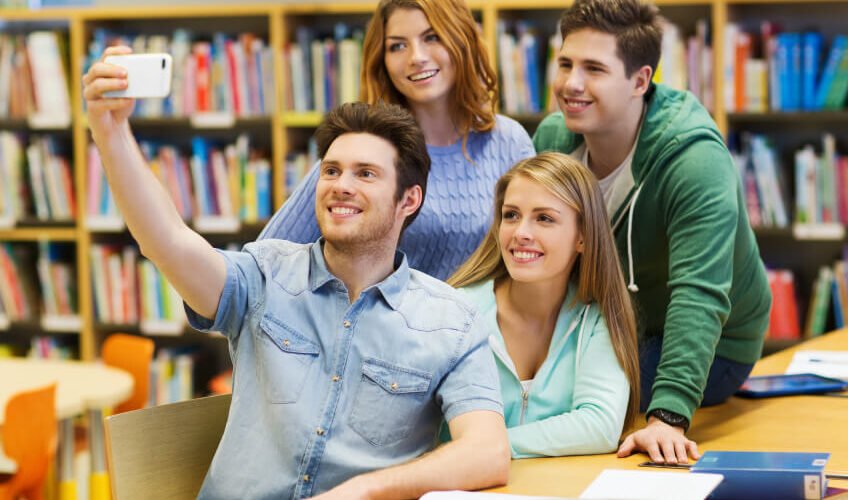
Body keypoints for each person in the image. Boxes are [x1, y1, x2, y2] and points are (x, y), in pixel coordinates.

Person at [84, 49, 510, 498]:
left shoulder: (451, 322)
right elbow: (166, 242)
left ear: (409, 200)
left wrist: (365, 491)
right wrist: (110, 131)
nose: (341, 185)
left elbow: (486, 452)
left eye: (365, 174)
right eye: (331, 171)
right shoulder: (264, 275)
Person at [533, 0, 771, 465]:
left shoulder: (694, 159)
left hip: (714, 346)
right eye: (565, 64)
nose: (571, 84)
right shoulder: (553, 141)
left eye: (594, 69)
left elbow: (699, 293)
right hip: (609, 326)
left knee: (557, 393)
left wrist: (668, 417)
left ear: (640, 81)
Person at [259, 0, 535, 281]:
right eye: (397, 46)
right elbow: (262, 265)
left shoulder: (510, 142)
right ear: (383, 61)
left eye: (432, 37)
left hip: (490, 311)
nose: (416, 57)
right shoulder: (365, 148)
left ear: (462, 39)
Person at [448, 152, 640, 458]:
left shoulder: (596, 319)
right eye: (511, 215)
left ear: (583, 236)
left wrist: (486, 449)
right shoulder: (455, 313)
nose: (521, 233)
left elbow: (600, 425)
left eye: (544, 218)